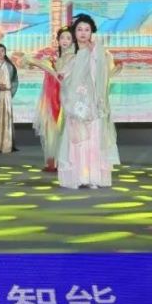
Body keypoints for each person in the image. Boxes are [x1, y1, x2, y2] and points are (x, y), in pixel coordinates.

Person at [57, 14, 120, 189]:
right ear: (74, 32)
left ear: (92, 32)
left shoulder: (99, 52)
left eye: (87, 29)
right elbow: (64, 77)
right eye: (79, 29)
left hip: (94, 103)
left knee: (93, 140)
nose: (83, 33)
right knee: (77, 141)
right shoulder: (70, 54)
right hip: (76, 103)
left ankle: (93, 177)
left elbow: (104, 75)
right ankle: (78, 177)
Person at [26, 26, 75, 171]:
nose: (65, 41)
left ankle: (66, 161)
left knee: (66, 129)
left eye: (68, 38)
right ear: (58, 40)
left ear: (73, 41)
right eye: (62, 38)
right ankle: (52, 161)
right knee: (50, 130)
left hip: (66, 98)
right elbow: (29, 64)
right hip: (50, 97)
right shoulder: (52, 57)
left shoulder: (74, 58)